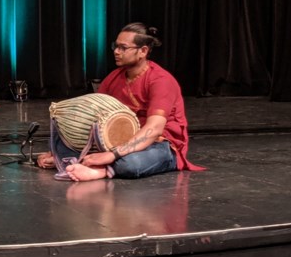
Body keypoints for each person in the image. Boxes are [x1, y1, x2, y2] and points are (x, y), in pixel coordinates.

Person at [36, 22, 204, 181]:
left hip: (160, 144)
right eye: (115, 46)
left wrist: (112, 155)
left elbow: (154, 129)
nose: (116, 51)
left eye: (123, 48)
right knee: (60, 143)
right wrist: (56, 152)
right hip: (120, 141)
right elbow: (94, 116)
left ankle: (101, 170)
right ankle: (78, 161)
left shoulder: (161, 80)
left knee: (131, 164)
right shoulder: (114, 77)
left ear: (143, 51)